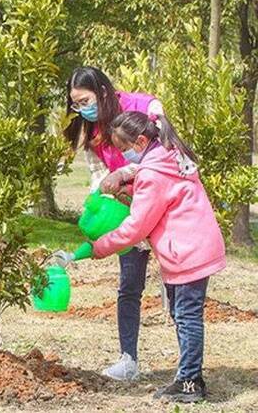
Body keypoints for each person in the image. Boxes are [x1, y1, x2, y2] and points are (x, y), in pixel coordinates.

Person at [80, 111, 224, 402]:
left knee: (186, 317)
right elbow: (162, 194)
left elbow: (135, 228)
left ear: (141, 140)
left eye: (124, 149)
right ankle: (187, 375)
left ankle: (190, 382)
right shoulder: (168, 156)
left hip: (187, 252)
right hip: (192, 246)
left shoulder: (153, 172)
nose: (123, 157)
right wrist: (129, 187)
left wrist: (99, 247)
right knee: (183, 315)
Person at [62, 66, 164, 380]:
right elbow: (97, 176)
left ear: (103, 92)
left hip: (161, 206)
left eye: (85, 101)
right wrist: (101, 197)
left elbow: (162, 153)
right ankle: (128, 360)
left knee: (177, 289)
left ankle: (188, 368)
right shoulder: (92, 133)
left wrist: (124, 174)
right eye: (76, 104)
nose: (81, 109)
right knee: (128, 287)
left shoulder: (145, 107)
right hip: (127, 212)